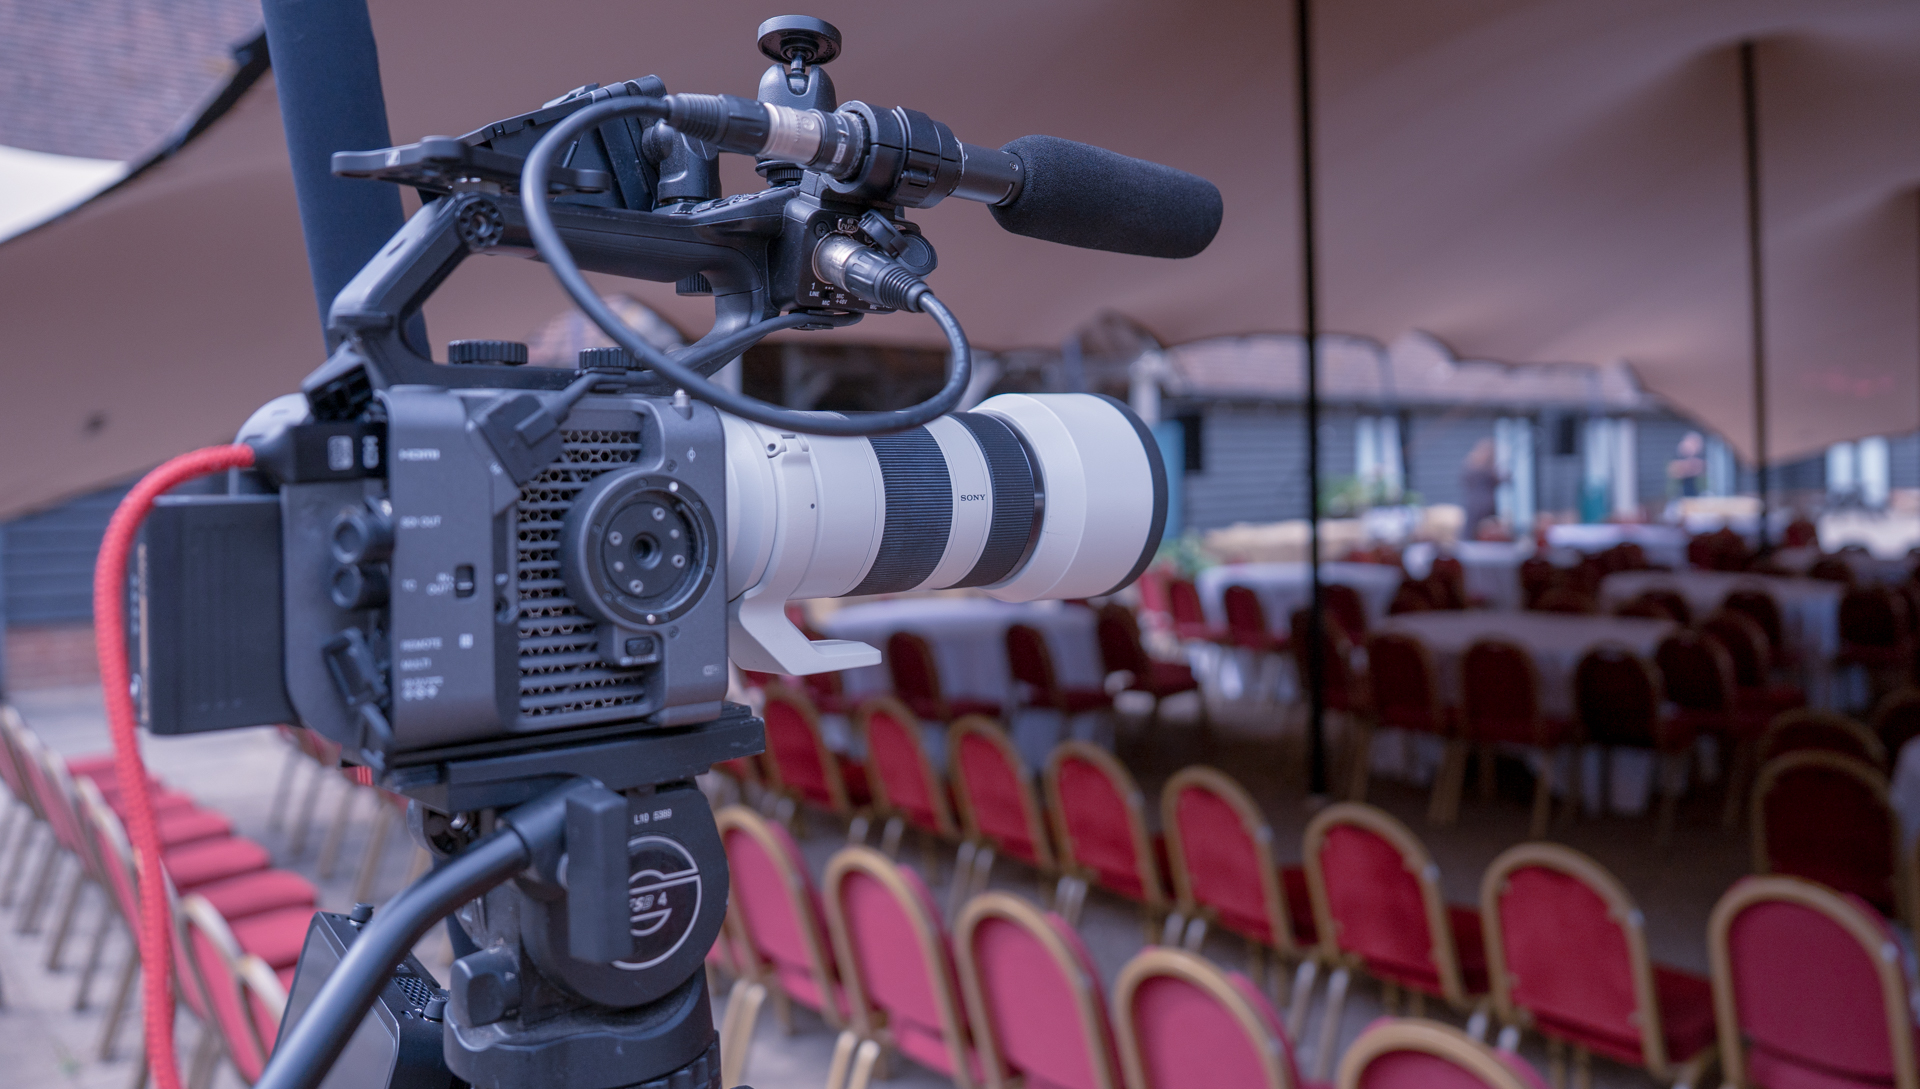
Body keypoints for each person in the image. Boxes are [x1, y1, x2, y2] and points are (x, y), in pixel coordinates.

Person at [1460, 437, 1502, 539]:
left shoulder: (1470, 466)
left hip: (1473, 503)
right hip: (1486, 503)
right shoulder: (1488, 470)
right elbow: (1503, 479)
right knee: (1487, 531)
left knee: (1472, 530)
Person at [1668, 431, 1706, 498]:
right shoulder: (1676, 458)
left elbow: (1701, 470)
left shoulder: (1700, 459)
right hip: (1679, 495)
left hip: (1696, 494)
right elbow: (1675, 472)